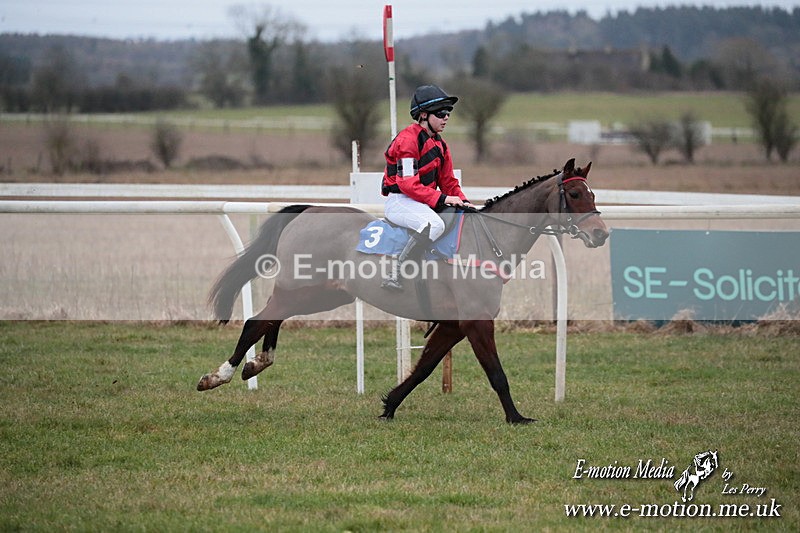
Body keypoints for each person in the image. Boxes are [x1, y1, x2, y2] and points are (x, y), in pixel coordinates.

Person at [380, 84, 472, 290]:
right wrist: (443, 199)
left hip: (421, 202)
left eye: (448, 113)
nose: (446, 117)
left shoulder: (441, 145)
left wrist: (465, 203)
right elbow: (407, 184)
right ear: (423, 116)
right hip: (401, 200)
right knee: (434, 225)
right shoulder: (407, 140)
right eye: (440, 113)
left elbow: (448, 183)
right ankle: (395, 274)